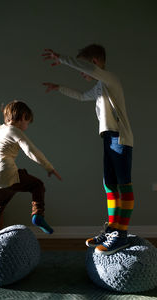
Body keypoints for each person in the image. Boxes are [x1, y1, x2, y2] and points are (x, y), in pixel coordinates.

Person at [42, 44, 134, 255]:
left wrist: (62, 58)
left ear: (93, 63)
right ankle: (112, 229)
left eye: (83, 67)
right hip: (107, 138)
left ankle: (121, 235)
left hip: (119, 137)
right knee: (109, 185)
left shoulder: (110, 79)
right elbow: (82, 96)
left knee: (124, 184)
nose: (82, 73)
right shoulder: (100, 86)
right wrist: (59, 88)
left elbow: (90, 71)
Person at [0, 100, 61, 246]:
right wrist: (49, 167)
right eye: (27, 122)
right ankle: (38, 215)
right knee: (37, 185)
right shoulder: (15, 131)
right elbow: (32, 151)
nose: (26, 126)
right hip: (6, 175)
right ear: (23, 117)